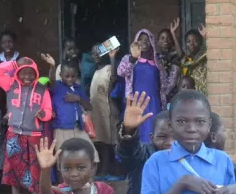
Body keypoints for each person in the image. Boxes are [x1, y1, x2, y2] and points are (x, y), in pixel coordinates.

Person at [0, 56, 54, 194]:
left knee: (34, 180)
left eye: (30, 73)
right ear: (18, 73)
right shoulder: (10, 84)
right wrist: (13, 64)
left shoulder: (42, 90)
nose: (27, 76)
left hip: (33, 137)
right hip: (13, 136)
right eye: (23, 73)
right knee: (14, 180)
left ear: (36, 74)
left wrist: (44, 115)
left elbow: (48, 110)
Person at [117, 29, 176, 143]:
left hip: (154, 104)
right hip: (136, 103)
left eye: (147, 40)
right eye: (140, 40)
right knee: (136, 134)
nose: (144, 42)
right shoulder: (129, 59)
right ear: (136, 42)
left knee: (153, 135)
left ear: (152, 43)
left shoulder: (157, 64)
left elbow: (165, 87)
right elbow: (121, 72)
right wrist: (133, 58)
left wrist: (175, 71)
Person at [47, 57, 97, 164]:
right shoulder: (57, 86)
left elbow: (89, 107)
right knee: (63, 161)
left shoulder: (78, 88)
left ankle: (89, 181)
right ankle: (63, 182)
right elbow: (51, 80)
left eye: (73, 76)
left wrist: (78, 99)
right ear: (60, 76)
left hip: (78, 128)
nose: (70, 79)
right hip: (61, 129)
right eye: (67, 76)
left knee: (93, 156)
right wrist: (52, 66)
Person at [88, 46, 120, 179]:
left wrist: (112, 58)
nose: (95, 55)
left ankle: (108, 169)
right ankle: (103, 168)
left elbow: (113, 78)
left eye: (98, 52)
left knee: (108, 140)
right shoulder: (95, 71)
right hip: (96, 112)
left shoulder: (108, 68)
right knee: (100, 141)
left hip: (106, 109)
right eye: (93, 53)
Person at [171, 19, 208, 95]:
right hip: (188, 95)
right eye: (188, 41)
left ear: (200, 43)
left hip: (202, 94)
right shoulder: (186, 60)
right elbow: (180, 54)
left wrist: (206, 37)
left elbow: (211, 51)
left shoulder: (204, 57)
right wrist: (173, 34)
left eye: (195, 41)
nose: (192, 44)